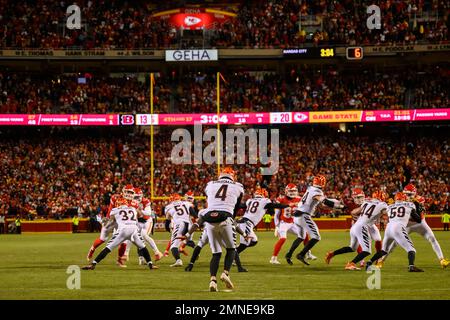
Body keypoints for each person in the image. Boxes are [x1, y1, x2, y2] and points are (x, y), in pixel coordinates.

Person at [183, 167, 244, 292]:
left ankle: (213, 281)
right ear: (233, 176)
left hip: (209, 219)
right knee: (231, 248)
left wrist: (188, 234)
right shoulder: (238, 186)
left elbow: (209, 199)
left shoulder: (210, 184)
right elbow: (236, 207)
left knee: (216, 253)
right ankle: (225, 273)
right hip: (225, 217)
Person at [379, 184, 449, 268]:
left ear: (414, 194)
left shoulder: (419, 200)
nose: (407, 196)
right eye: (406, 194)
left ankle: (442, 260)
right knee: (394, 243)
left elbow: (421, 217)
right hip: (406, 225)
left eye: (409, 194)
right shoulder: (399, 199)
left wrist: (416, 204)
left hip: (419, 224)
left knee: (432, 238)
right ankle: (381, 261)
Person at [82, 203, 158, 271]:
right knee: (143, 247)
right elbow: (140, 215)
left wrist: (103, 223)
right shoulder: (132, 208)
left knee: (108, 248)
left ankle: (93, 264)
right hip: (133, 230)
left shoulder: (115, 210)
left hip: (123, 230)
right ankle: (150, 265)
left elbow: (110, 222)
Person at [325, 189, 388, 270]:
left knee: (352, 248)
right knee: (367, 250)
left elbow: (354, 212)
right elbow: (387, 214)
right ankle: (351, 264)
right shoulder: (383, 204)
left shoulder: (366, 202)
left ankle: (332, 253)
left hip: (356, 225)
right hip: (363, 226)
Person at [365, 192, 424, 272]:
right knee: (411, 249)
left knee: (384, 250)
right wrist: (419, 210)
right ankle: (411, 266)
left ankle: (369, 262)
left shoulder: (390, 206)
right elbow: (418, 220)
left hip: (389, 228)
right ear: (404, 198)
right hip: (398, 227)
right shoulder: (409, 205)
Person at [293, 175, 344, 265]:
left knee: (306, 236)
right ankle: (301, 254)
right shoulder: (316, 191)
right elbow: (324, 201)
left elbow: (322, 204)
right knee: (316, 237)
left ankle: (299, 254)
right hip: (303, 215)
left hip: (299, 215)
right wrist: (338, 206)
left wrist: (335, 204)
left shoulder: (311, 189)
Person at [164, 193, 197, 267]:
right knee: (184, 241)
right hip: (188, 224)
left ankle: (178, 261)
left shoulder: (169, 207)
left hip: (179, 224)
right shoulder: (186, 203)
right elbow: (194, 213)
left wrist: (167, 228)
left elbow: (167, 220)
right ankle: (192, 246)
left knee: (173, 246)